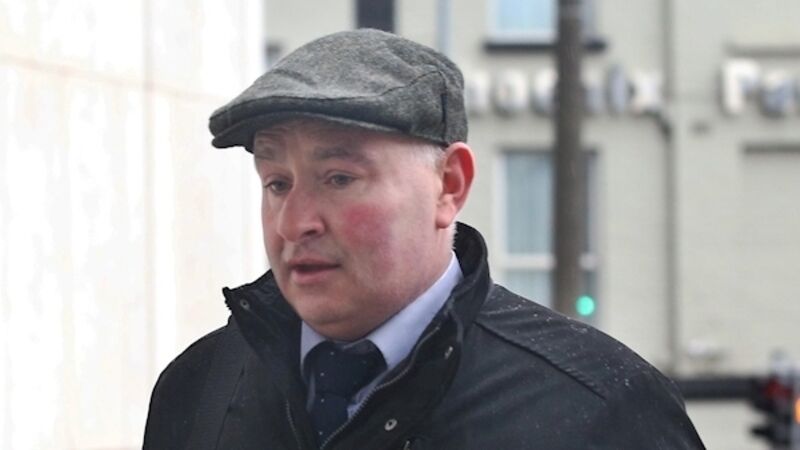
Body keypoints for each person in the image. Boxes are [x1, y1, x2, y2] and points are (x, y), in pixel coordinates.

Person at [143, 29, 704, 449]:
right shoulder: (199, 387)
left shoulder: (599, 408)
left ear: (449, 185)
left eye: (339, 179)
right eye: (277, 183)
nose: (294, 224)